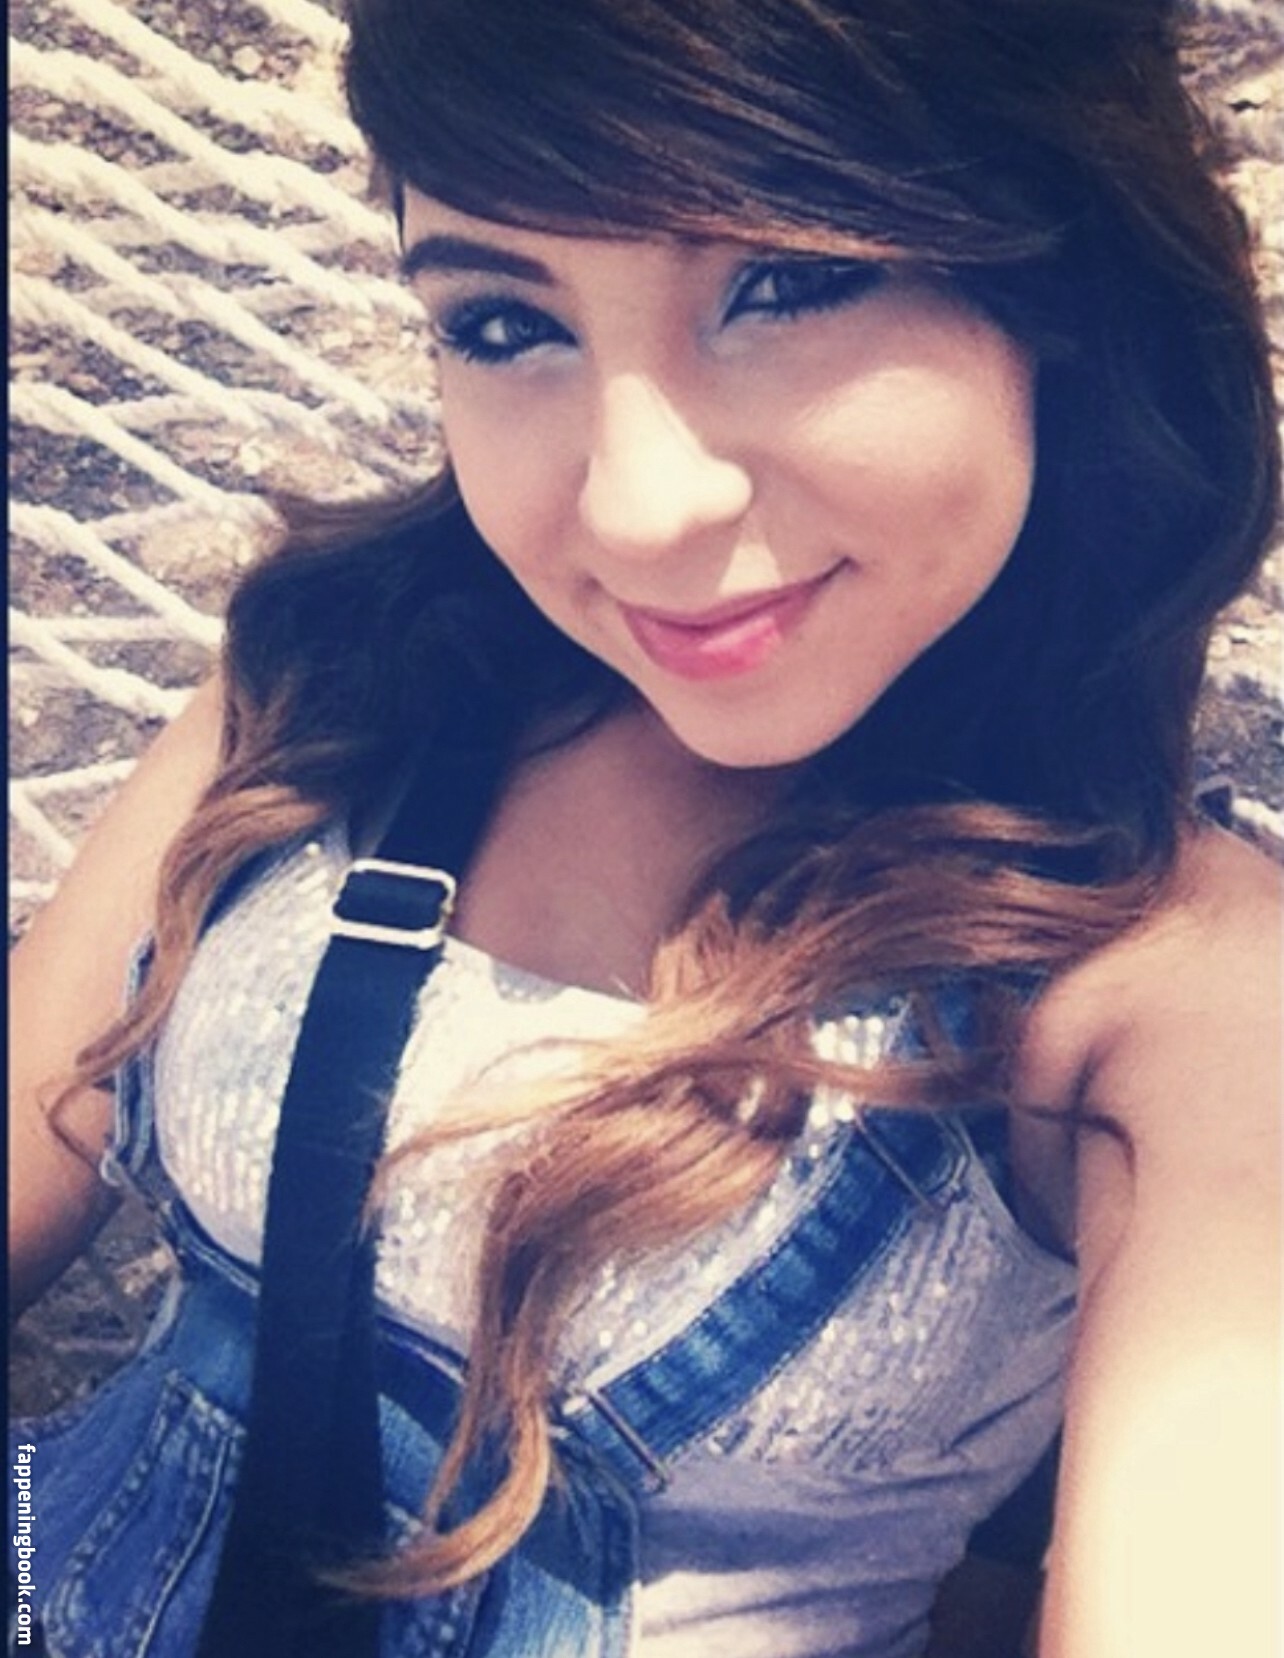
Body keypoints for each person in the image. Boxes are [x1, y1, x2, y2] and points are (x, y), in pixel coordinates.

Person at [9, 1, 1281, 1655]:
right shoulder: (352, 676)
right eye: (504, 322)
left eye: (787, 284)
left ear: (1066, 288)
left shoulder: (1174, 986)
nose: (639, 506)